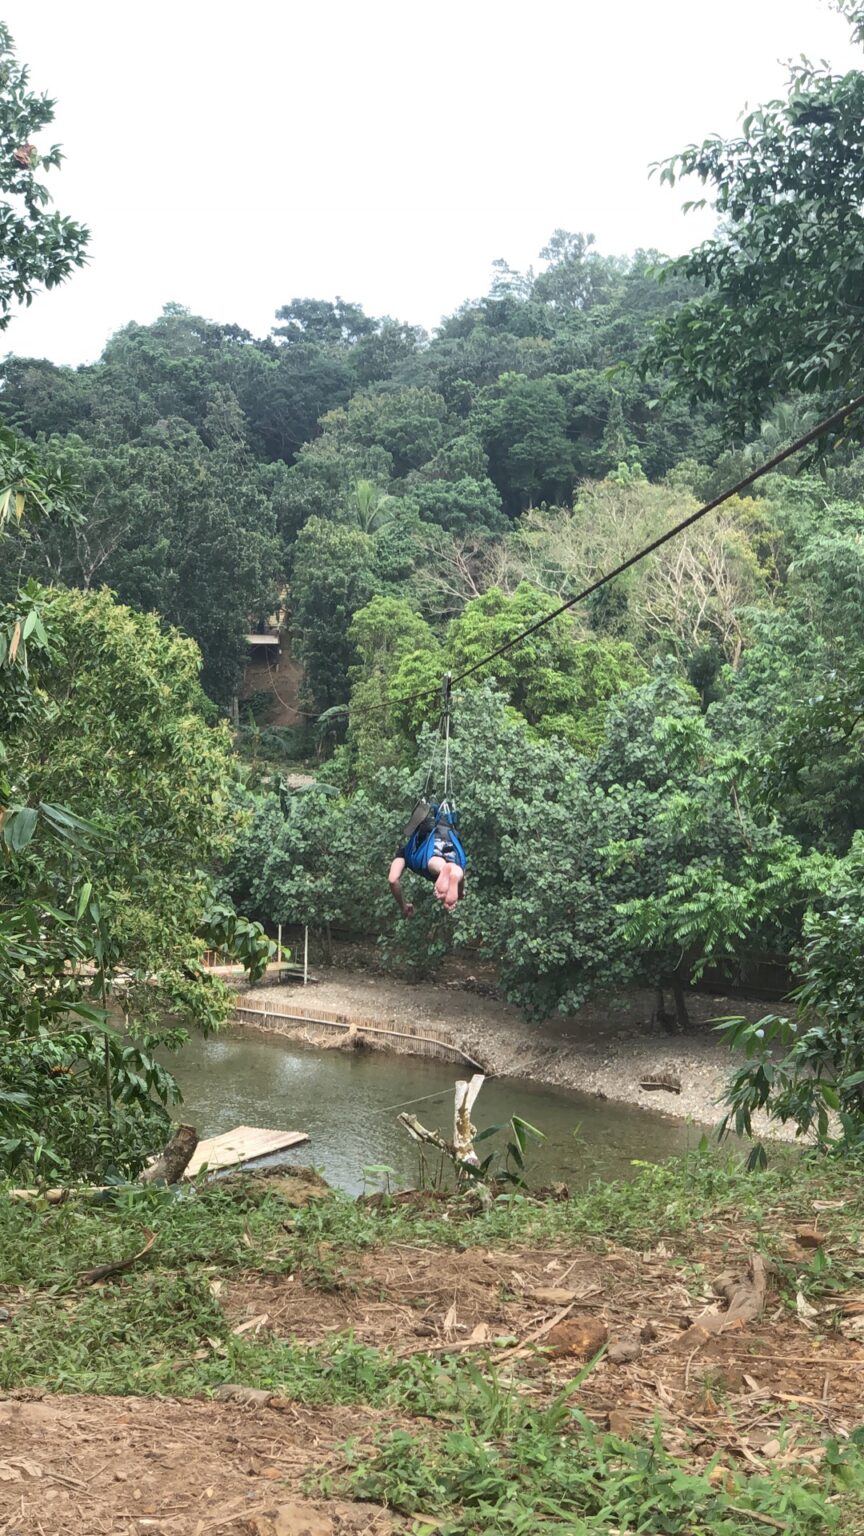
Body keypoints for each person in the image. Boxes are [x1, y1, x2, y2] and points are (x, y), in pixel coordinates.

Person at [388, 800, 466, 916]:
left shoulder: (405, 854)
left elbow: (393, 879)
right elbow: (392, 880)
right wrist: (459, 893)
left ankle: (447, 870)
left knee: (442, 865)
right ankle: (446, 870)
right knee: (442, 865)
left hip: (441, 843)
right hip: (446, 836)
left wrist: (403, 906)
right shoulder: (406, 851)